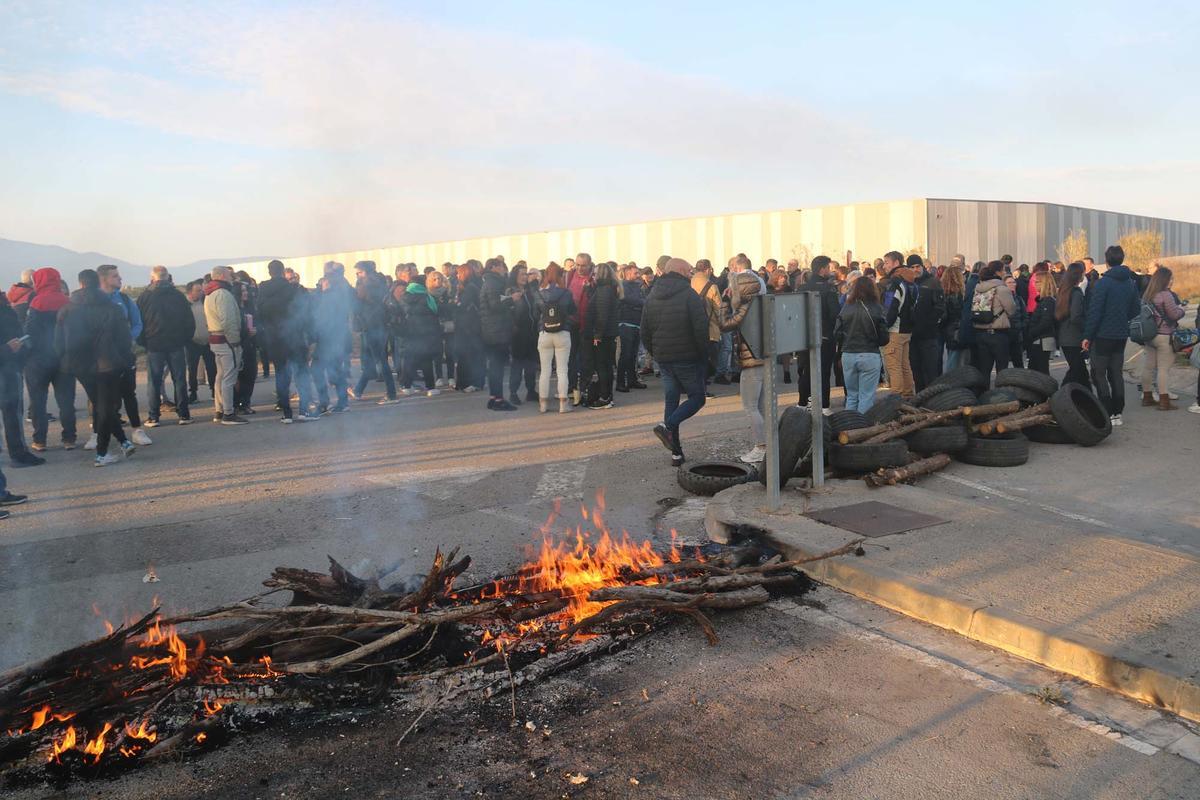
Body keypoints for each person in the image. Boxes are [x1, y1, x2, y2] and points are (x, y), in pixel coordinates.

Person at [58, 269, 135, 464]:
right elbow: (124, 339)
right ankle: (102, 453)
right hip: (107, 363)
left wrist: (64, 359)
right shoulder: (111, 307)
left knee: (102, 405)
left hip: (79, 365)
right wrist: (125, 359)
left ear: (80, 283)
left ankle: (124, 441)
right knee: (105, 406)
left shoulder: (67, 309)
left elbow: (58, 341)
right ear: (97, 283)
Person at [641, 257, 709, 467]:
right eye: (689, 271)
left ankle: (676, 454)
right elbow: (700, 328)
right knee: (697, 398)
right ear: (680, 271)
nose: (691, 274)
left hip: (664, 359)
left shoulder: (652, 295)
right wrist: (703, 354)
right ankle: (666, 426)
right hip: (687, 358)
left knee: (672, 402)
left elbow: (645, 330)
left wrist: (656, 353)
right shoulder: (689, 295)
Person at [1083, 245, 1140, 426]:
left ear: (1106, 261)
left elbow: (1095, 312)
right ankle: (1118, 411)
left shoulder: (1103, 283)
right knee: (1116, 372)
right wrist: (1122, 318)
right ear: (1122, 259)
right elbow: (1136, 309)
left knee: (1099, 373)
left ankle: (1106, 410)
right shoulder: (1130, 283)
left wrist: (1087, 336)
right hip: (1121, 334)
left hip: (1102, 335)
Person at [20, 267, 74, 455]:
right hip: (64, 360)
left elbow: (30, 332)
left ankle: (40, 441)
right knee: (66, 401)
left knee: (38, 402)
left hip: (39, 361)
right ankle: (69, 438)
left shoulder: (36, 302)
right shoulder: (67, 301)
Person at [257, 259, 320, 421]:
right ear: (282, 271)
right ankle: (303, 411)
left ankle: (286, 413)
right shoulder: (294, 289)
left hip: (275, 339)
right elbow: (306, 315)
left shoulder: (262, 291)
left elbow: (260, 316)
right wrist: (312, 336)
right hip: (295, 337)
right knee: (301, 373)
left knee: (281, 375)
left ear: (269, 272)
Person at [96, 264, 152, 447]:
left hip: (124, 354)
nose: (120, 279)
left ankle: (137, 430)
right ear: (103, 279)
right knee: (101, 397)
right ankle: (96, 433)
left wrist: (128, 339)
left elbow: (137, 324)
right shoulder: (95, 301)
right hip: (102, 357)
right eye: (115, 276)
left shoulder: (125, 300)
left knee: (129, 392)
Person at [137, 266, 195, 426]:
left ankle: (153, 416)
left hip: (154, 344)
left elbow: (138, 322)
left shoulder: (144, 297)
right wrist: (184, 339)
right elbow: (189, 321)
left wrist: (144, 342)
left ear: (152, 278)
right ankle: (184, 415)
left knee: (154, 381)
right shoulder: (178, 296)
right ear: (168, 277)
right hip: (176, 343)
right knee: (179, 380)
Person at [718, 270, 766, 463]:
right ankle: (769, 445)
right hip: (763, 360)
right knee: (762, 406)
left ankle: (761, 446)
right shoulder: (762, 304)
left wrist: (724, 302)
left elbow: (725, 324)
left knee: (750, 406)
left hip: (751, 361)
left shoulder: (746, 308)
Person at [834, 276, 889, 413]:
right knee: (866, 396)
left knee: (852, 396)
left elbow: (837, 333)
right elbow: (884, 338)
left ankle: (849, 427)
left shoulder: (846, 307)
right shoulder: (877, 308)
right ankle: (862, 429)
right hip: (869, 353)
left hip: (848, 354)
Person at [204, 266, 250, 425]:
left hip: (216, 339)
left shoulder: (210, 293)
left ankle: (219, 410)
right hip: (226, 341)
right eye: (230, 275)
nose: (232, 278)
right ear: (223, 276)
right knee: (229, 377)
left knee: (221, 376)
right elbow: (228, 321)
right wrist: (235, 341)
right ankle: (229, 413)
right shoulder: (223, 294)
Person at [351, 261, 399, 404]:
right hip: (381, 324)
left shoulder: (364, 285)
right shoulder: (382, 282)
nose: (357, 275)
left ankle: (391, 394)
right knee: (372, 360)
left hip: (369, 325)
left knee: (380, 361)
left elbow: (357, 306)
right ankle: (358, 390)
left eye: (359, 272)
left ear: (365, 272)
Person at [797, 255, 841, 410]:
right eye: (829, 267)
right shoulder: (829, 289)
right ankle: (823, 406)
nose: (830, 270)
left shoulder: (802, 288)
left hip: (804, 336)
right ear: (823, 269)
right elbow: (835, 313)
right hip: (825, 336)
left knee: (806, 371)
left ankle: (803, 403)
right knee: (823, 372)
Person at [1139, 267, 1185, 411]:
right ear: (1164, 279)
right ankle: (1164, 402)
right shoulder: (1166, 295)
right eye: (1170, 278)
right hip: (1164, 336)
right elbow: (1173, 315)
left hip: (1149, 335)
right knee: (1163, 369)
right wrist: (1182, 309)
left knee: (1148, 367)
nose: (1172, 281)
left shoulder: (1147, 294)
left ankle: (1147, 397)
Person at [533, 262, 577, 413]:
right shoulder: (566, 293)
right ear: (560, 275)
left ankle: (543, 404)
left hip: (544, 333)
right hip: (562, 332)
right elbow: (573, 310)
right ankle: (563, 404)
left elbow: (535, 314)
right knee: (562, 370)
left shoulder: (539, 293)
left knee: (545, 371)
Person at [312, 262, 354, 413]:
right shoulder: (343, 287)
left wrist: (325, 293)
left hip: (331, 337)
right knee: (333, 370)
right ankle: (339, 402)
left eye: (328, 274)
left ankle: (328, 402)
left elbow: (325, 313)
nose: (326, 277)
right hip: (332, 337)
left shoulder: (338, 290)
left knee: (323, 370)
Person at [479, 258, 517, 411]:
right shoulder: (493, 282)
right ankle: (499, 400)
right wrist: (511, 299)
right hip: (496, 331)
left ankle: (493, 398)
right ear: (494, 267)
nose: (504, 269)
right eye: (502, 266)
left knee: (495, 366)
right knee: (497, 368)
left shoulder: (487, 281)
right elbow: (495, 305)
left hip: (491, 330)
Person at [970, 261, 1017, 381]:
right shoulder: (1002, 289)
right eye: (1003, 270)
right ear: (998, 272)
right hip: (998, 333)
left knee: (984, 369)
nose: (1005, 273)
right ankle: (1001, 396)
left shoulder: (978, 288)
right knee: (1002, 369)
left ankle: (983, 395)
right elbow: (1011, 310)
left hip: (980, 331)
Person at [398, 273, 443, 397]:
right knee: (426, 361)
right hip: (426, 334)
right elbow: (437, 312)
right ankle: (431, 388)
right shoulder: (428, 297)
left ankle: (407, 387)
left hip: (410, 333)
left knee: (410, 361)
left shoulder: (404, 297)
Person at [583, 262, 621, 409]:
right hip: (608, 333)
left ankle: (605, 397)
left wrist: (597, 334)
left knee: (602, 366)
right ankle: (607, 396)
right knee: (606, 366)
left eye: (595, 272)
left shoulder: (604, 289)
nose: (593, 274)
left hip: (603, 334)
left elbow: (602, 314)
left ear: (602, 273)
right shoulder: (607, 288)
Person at [880, 252, 916, 398]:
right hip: (907, 330)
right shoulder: (911, 281)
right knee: (904, 366)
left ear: (896, 263)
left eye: (887, 262)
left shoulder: (895, 282)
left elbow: (890, 308)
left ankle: (897, 400)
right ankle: (908, 396)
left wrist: (884, 327)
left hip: (895, 330)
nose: (884, 266)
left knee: (894, 367)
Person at [907, 255, 945, 393]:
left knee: (931, 371)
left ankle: (934, 401)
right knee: (916, 371)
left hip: (929, 335)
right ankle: (919, 399)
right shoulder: (907, 284)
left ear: (922, 267)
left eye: (918, 266)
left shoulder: (933, 282)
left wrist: (929, 324)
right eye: (912, 267)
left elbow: (940, 308)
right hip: (911, 336)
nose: (916, 270)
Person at [507, 265, 539, 406]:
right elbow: (509, 311)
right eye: (522, 274)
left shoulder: (530, 291)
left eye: (526, 274)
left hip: (531, 332)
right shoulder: (511, 291)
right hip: (518, 333)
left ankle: (531, 391)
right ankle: (513, 393)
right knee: (517, 365)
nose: (525, 277)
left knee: (531, 364)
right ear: (515, 276)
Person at [1055, 262, 1090, 389]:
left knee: (1079, 372)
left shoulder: (1064, 291)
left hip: (1065, 336)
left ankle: (1087, 399)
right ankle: (1059, 397)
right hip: (1074, 337)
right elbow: (1076, 316)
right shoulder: (1076, 292)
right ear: (1078, 275)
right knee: (1077, 370)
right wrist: (1086, 330)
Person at [689, 260, 723, 390]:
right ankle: (702, 388)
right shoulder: (711, 286)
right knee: (708, 360)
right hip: (709, 329)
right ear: (708, 270)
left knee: (696, 360)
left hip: (691, 328)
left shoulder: (689, 282)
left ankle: (695, 386)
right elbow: (719, 309)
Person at [566, 254, 594, 405]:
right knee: (570, 358)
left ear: (590, 265)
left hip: (585, 324)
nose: (580, 268)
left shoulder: (593, 279)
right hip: (570, 323)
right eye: (578, 264)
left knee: (585, 358)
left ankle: (584, 388)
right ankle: (571, 387)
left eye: (583, 265)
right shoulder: (569, 276)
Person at [616, 263, 647, 392]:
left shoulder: (638, 286)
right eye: (636, 273)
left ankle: (632, 379)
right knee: (626, 354)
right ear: (628, 273)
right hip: (626, 323)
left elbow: (639, 300)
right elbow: (630, 299)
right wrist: (641, 303)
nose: (638, 275)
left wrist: (640, 303)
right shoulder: (623, 285)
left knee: (633, 354)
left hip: (636, 322)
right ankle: (620, 382)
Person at [185, 280, 215, 403]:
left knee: (212, 367)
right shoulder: (185, 306)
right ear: (190, 292)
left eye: (201, 290)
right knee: (192, 369)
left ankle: (214, 390)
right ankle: (193, 392)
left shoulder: (205, 302)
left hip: (207, 341)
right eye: (198, 291)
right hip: (192, 342)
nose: (201, 293)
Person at [1024, 270, 1058, 374]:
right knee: (1035, 369)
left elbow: (1046, 322)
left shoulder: (1048, 301)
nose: (1035, 284)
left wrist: (1031, 332)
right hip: (1039, 339)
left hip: (1042, 340)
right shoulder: (1043, 300)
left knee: (1040, 369)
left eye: (1038, 282)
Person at [940, 264, 966, 371]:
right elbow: (959, 313)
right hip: (956, 328)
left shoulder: (942, 293)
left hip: (946, 328)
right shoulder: (959, 295)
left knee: (950, 357)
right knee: (955, 359)